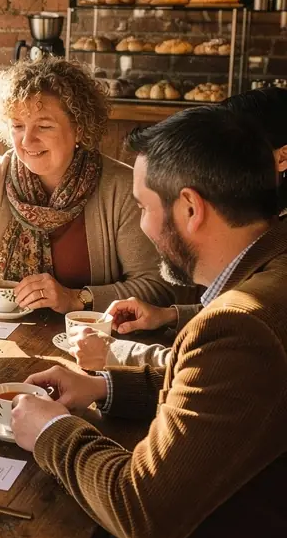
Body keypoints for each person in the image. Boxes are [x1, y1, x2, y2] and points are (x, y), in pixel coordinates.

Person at [7, 106, 287, 538]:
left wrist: (48, 432)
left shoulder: (239, 326)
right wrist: (105, 385)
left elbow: (142, 510)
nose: (140, 225)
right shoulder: (272, 274)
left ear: (190, 208)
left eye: (144, 209)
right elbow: (232, 401)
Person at [0, 57, 175, 313]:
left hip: (87, 345)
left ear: (79, 127)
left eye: (44, 126)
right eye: (17, 126)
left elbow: (156, 287)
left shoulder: (123, 187)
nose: (27, 141)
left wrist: (77, 298)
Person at [71, 84, 287, 371]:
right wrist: (170, 316)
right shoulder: (269, 244)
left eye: (145, 208)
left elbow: (218, 356)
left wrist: (50, 418)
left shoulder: (242, 319)